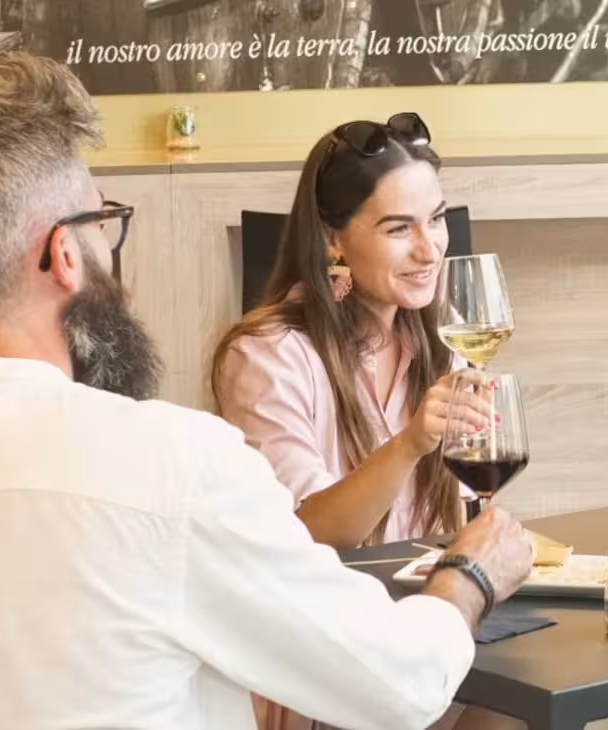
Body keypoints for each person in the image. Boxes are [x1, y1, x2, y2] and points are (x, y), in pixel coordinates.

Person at [0, 54, 534, 730]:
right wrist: (468, 577)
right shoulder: (176, 468)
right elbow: (397, 686)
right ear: (64, 254)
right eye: (104, 221)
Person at [210, 116, 519, 730]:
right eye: (398, 228)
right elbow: (305, 532)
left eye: (436, 219)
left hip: (422, 635)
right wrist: (409, 445)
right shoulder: (267, 356)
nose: (430, 250)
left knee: (537, 703)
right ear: (333, 241)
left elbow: (456, 520)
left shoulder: (441, 346)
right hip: (327, 666)